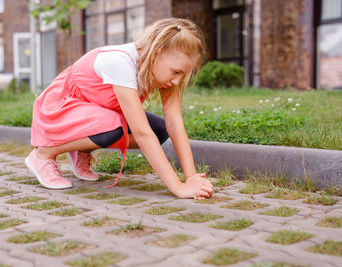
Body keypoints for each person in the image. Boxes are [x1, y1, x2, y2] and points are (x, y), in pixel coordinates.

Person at [25, 17, 214, 200]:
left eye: (183, 74)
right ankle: (43, 154)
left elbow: (175, 125)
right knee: (113, 126)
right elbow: (142, 133)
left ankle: (81, 149)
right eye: (176, 72)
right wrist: (178, 188)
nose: (177, 80)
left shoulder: (162, 72)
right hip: (60, 108)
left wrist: (191, 179)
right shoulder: (120, 63)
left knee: (159, 130)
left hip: (93, 111)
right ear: (157, 53)